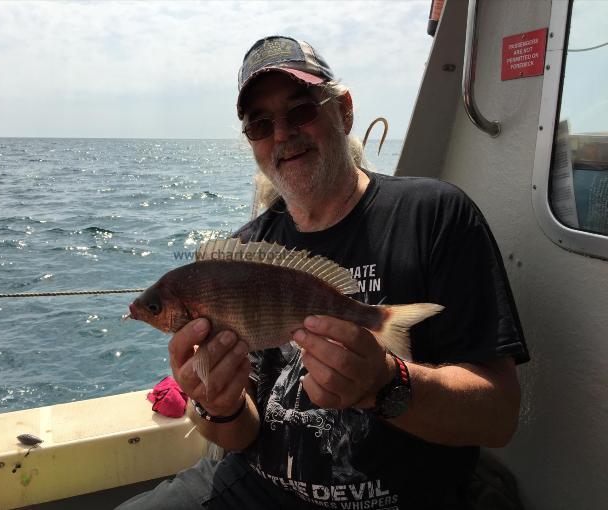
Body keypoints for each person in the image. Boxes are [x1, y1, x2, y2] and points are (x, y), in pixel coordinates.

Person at [117, 35, 529, 510]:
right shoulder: (244, 252)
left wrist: (387, 385)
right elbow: (240, 434)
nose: (282, 134)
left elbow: (499, 416)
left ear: (344, 111)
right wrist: (217, 404)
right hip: (257, 487)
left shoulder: (435, 215)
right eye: (259, 125)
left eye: (300, 111)